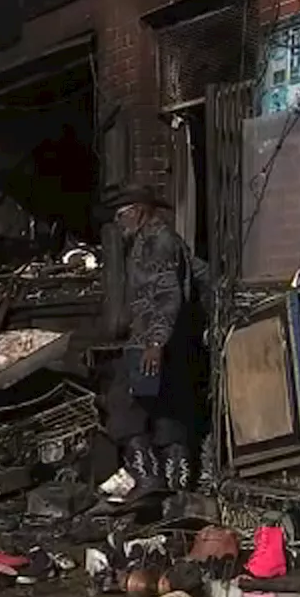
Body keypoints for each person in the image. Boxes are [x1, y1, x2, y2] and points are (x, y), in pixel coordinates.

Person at [103, 184, 209, 492]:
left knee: (124, 405)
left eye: (121, 216)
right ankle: (176, 489)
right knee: (169, 411)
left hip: (151, 342)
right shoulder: (164, 241)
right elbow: (200, 275)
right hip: (168, 342)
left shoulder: (156, 244)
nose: (119, 224)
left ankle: (150, 481)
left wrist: (155, 343)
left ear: (138, 212)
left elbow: (166, 294)